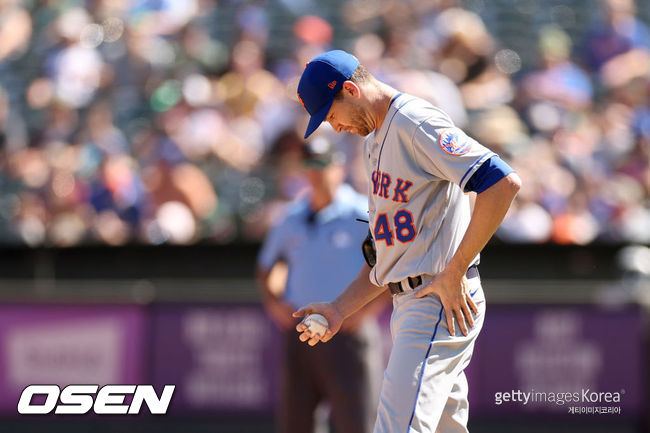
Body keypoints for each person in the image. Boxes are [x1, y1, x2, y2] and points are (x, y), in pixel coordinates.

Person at [292, 50, 522, 433]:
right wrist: (338, 309)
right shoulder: (374, 138)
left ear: (351, 90)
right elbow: (386, 255)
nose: (334, 128)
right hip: (413, 300)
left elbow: (502, 183)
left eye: (331, 115)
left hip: (437, 298)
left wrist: (455, 270)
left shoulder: (414, 123)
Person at [257, 137, 390, 433]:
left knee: (358, 424)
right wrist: (274, 302)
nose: (316, 172)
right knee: (296, 424)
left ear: (339, 168)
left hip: (349, 332)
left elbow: (390, 268)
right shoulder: (291, 216)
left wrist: (363, 314)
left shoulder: (363, 213)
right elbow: (269, 265)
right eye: (310, 165)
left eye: (322, 163)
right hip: (302, 331)